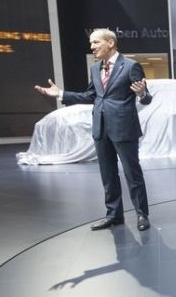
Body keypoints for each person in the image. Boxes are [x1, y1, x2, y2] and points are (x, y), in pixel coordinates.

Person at [34, 28, 153, 231]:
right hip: (100, 128)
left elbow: (146, 97)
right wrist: (61, 94)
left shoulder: (130, 66)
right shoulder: (95, 68)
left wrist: (142, 94)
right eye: (91, 43)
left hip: (124, 128)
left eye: (96, 42)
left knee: (132, 174)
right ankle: (114, 215)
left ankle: (142, 214)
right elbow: (91, 96)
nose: (92, 47)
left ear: (110, 43)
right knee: (108, 175)